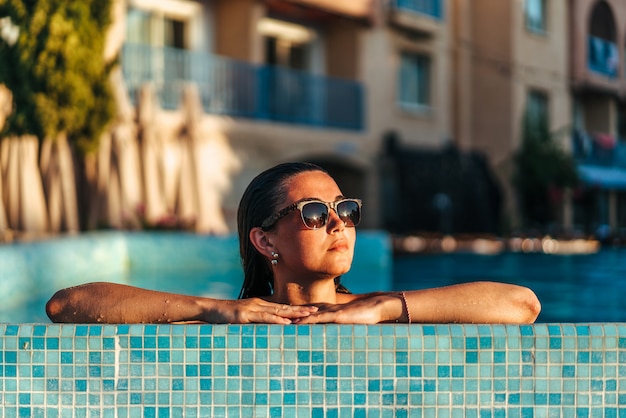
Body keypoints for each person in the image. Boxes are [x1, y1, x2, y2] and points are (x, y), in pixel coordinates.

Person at [46, 162, 541, 324]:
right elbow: (67, 303)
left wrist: (381, 309)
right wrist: (213, 309)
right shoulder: (233, 320)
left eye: (345, 209)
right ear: (263, 240)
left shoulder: (376, 311)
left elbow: (522, 303)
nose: (338, 223)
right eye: (313, 213)